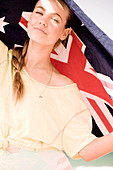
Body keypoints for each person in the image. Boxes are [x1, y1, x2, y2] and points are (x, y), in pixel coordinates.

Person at [0, 0, 113, 169]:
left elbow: (85, 148)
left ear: (64, 33)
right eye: (39, 12)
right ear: (30, 19)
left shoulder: (65, 88)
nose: (42, 21)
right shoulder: (4, 59)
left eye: (55, 19)